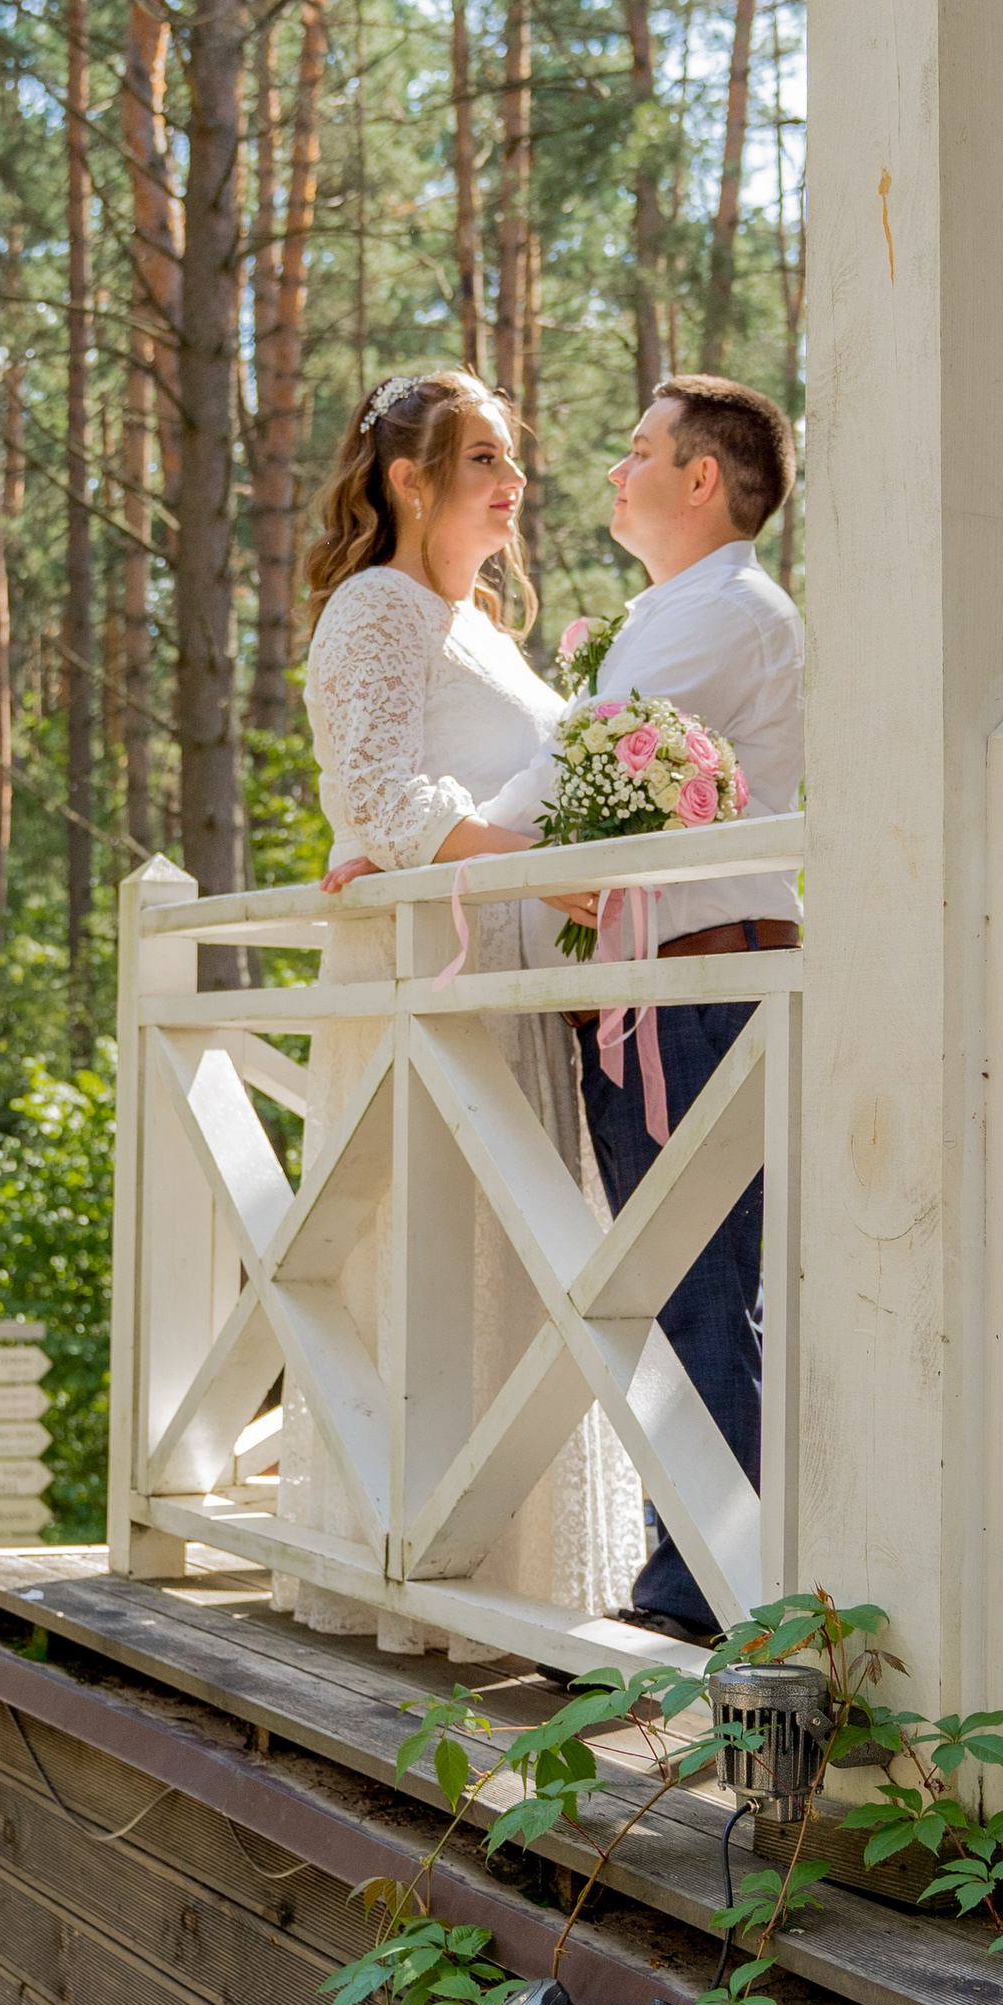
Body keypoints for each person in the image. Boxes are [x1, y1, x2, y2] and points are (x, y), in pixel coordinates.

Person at [275, 368, 645, 1652]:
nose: (514, 482)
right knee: (427, 1250)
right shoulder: (374, 608)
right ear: (406, 478)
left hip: (506, 964)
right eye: (482, 457)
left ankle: (506, 1572)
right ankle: (411, 1568)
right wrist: (528, 867)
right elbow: (379, 793)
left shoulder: (479, 623)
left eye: (512, 456)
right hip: (427, 971)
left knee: (520, 1253)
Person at [477, 376, 803, 1633]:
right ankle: (708, 1576)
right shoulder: (680, 612)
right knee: (677, 1287)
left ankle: (699, 1594)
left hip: (697, 981)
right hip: (662, 979)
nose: (615, 471)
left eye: (637, 450)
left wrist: (435, 844)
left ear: (701, 479)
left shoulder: (721, 614)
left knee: (694, 1285)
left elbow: (572, 768)